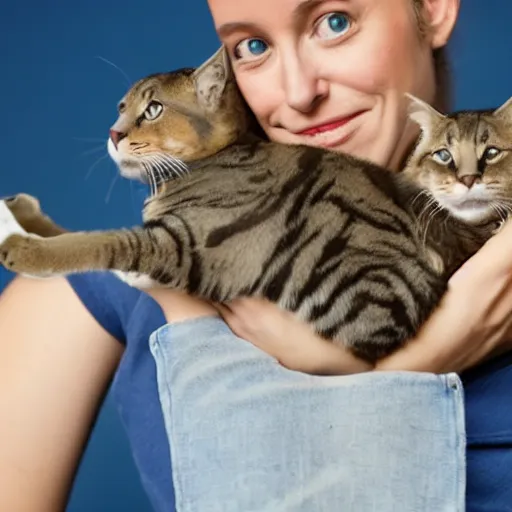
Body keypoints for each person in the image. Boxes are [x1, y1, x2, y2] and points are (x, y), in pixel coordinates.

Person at [1, 0, 512, 510]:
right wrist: (425, 356)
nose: (298, 93)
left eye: (335, 23)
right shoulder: (84, 294)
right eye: (252, 46)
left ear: (435, 9)